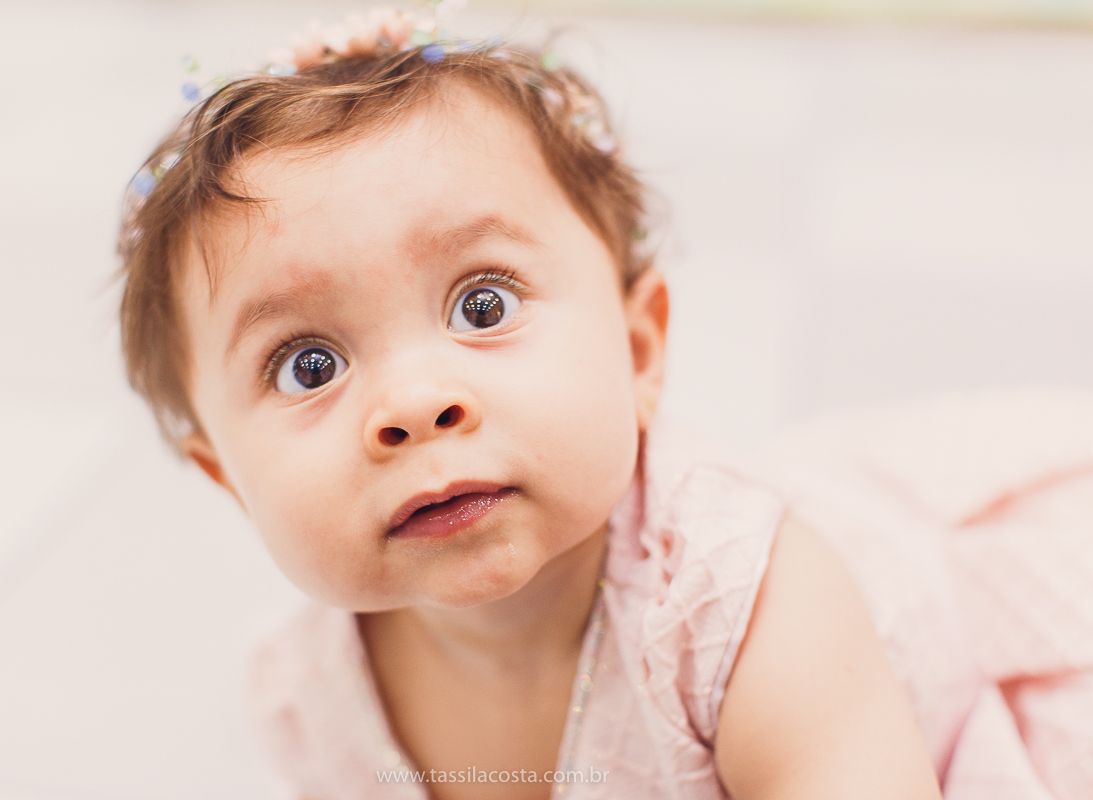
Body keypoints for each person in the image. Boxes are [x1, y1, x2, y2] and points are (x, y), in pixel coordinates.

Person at [117, 7, 1092, 799]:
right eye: (308, 364)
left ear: (638, 349)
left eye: (482, 303)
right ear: (226, 476)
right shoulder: (305, 698)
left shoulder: (746, 606)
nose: (413, 402)